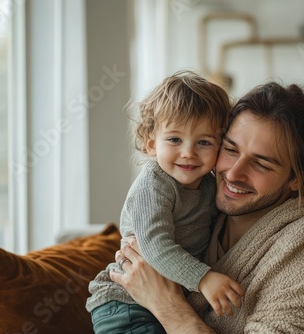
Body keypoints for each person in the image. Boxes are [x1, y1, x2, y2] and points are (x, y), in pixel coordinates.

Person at [110, 81, 304, 333]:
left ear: (299, 178)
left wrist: (167, 306)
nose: (233, 173)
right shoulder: (198, 213)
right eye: (230, 149)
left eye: (261, 164)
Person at [86, 71, 244, 334]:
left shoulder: (208, 184)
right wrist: (203, 278)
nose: (188, 153)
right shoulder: (154, 184)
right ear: (151, 144)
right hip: (125, 302)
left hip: (166, 301)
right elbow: (153, 244)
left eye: (204, 142)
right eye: (174, 139)